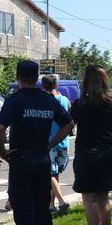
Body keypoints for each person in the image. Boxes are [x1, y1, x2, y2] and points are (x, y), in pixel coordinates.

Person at [0, 60, 73, 225]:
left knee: (22, 204)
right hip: (42, 158)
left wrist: (2, 151)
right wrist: (50, 144)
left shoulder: (15, 100)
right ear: (37, 77)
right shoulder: (48, 100)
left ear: (18, 77)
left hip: (21, 158)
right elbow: (68, 124)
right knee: (42, 204)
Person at [70, 65, 112, 225]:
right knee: (103, 198)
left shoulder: (79, 104)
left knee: (89, 199)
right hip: (106, 152)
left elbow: (71, 125)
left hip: (85, 154)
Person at [41, 75, 71, 215]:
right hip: (63, 141)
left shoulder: (46, 101)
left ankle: (61, 201)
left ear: (43, 86)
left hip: (50, 141)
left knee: (49, 174)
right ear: (56, 85)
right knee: (55, 174)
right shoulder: (65, 100)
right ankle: (51, 205)